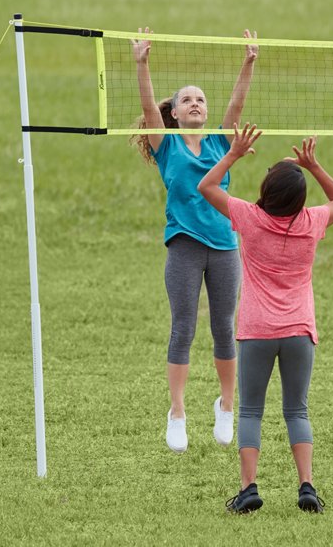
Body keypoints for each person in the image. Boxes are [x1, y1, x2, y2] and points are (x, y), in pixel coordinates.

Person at [197, 126, 333, 515]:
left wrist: (232, 154)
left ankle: (248, 490)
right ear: (300, 199)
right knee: (297, 410)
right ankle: (307, 487)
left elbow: (207, 187)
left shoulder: (249, 218)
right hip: (300, 331)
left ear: (267, 192)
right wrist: (313, 166)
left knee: (250, 411)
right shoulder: (312, 222)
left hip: (257, 330)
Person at [131, 27, 258, 453]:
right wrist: (142, 62)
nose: (196, 103)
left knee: (225, 328)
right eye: (188, 99)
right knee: (183, 328)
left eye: (201, 99)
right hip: (184, 244)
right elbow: (149, 105)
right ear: (177, 113)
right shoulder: (166, 145)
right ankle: (178, 412)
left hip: (224, 244)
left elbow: (237, 103)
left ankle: (226, 404)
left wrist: (248, 62)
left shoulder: (223, 141)